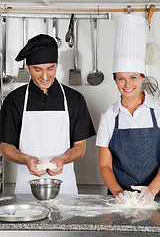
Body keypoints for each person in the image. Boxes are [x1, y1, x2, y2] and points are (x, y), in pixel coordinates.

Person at [0, 34, 96, 194]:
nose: (45, 76)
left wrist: (63, 159)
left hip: (66, 189)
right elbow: (5, 147)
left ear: (57, 65)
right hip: (26, 189)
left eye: (50, 68)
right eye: (38, 69)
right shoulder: (14, 101)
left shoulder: (74, 99)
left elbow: (80, 147)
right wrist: (27, 160)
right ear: (29, 67)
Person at [96, 14, 160, 205]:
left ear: (142, 78)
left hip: (157, 195)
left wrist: (152, 190)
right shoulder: (109, 116)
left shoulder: (158, 110)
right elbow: (105, 165)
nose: (127, 84)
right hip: (120, 200)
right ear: (115, 80)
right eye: (121, 78)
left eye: (133, 77)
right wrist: (118, 193)